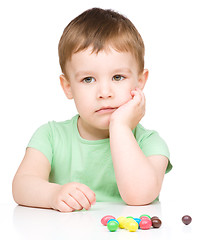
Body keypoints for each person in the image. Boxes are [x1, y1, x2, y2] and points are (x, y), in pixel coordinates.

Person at [12, 8, 172, 212]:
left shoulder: (149, 143)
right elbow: (21, 186)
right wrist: (52, 195)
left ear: (140, 82)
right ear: (68, 87)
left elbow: (139, 196)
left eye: (118, 77)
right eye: (88, 79)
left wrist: (121, 127)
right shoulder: (51, 136)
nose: (104, 93)